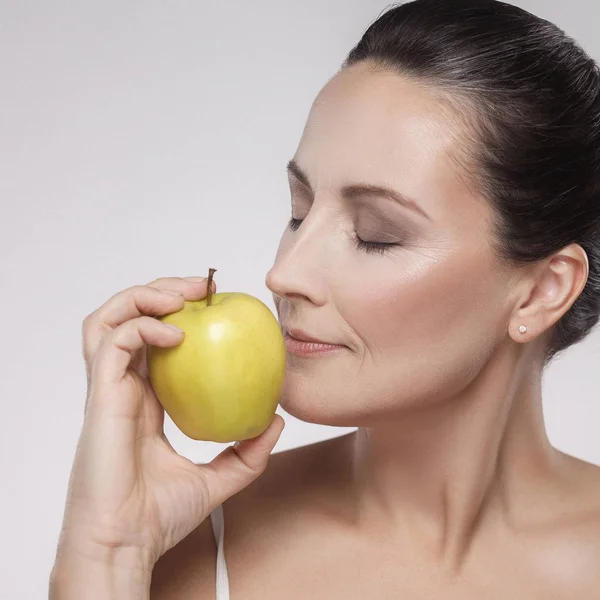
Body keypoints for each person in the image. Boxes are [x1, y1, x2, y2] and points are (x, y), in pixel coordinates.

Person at [49, 0, 600, 598]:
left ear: (541, 293)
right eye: (299, 213)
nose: (284, 273)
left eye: (375, 236)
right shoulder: (190, 550)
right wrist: (104, 554)